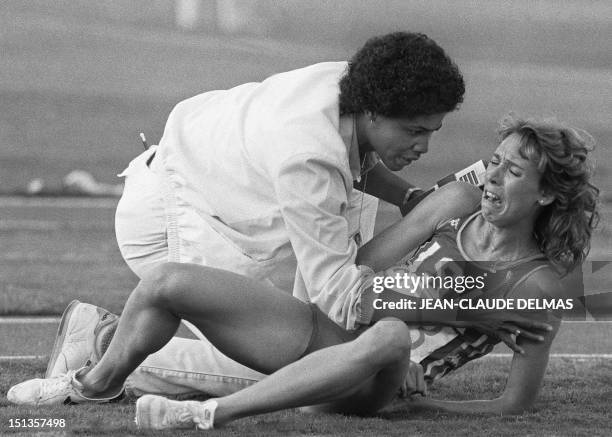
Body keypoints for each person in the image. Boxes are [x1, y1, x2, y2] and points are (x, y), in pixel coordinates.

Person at [8, 115, 599, 430]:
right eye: (492, 164)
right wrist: (421, 224)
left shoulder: (538, 285)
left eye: (513, 173)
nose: (491, 179)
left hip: (378, 376)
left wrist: (425, 408)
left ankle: (203, 416)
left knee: (388, 332)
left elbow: (512, 403)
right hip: (341, 323)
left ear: (548, 194)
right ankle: (91, 375)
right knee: (168, 280)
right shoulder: (458, 208)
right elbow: (358, 277)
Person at [43, 31, 468, 398]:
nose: (424, 147)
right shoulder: (309, 157)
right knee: (312, 377)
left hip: (193, 182)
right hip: (173, 224)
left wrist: (412, 197)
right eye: (414, 131)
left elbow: (356, 161)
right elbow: (340, 293)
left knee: (332, 349)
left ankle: (109, 342)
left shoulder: (358, 85)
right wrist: (425, 305)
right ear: (375, 111)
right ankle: (98, 346)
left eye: (433, 131)